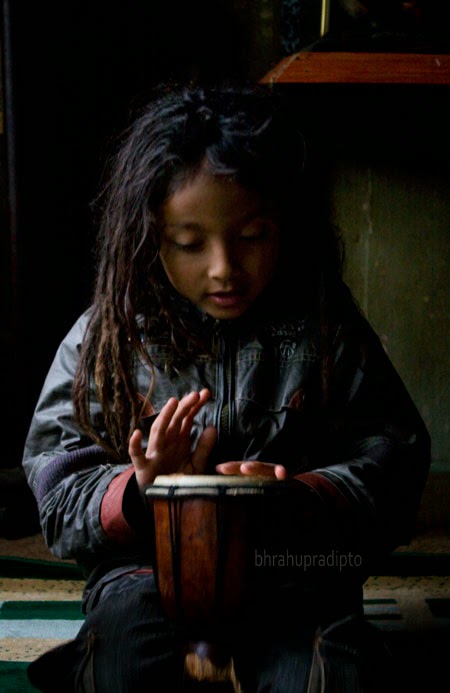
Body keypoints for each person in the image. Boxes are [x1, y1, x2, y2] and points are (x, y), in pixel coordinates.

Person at [22, 83, 430, 692]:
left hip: (299, 567)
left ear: (286, 225)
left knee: (329, 671)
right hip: (143, 571)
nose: (224, 268)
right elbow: (55, 487)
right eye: (190, 244)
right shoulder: (105, 336)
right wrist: (139, 491)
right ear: (148, 238)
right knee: (117, 666)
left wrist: (304, 498)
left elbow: (394, 458)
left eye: (253, 236)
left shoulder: (324, 326)